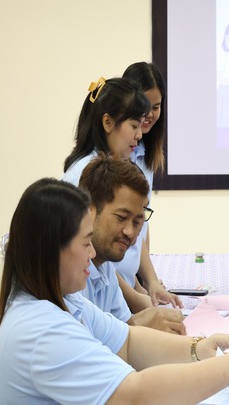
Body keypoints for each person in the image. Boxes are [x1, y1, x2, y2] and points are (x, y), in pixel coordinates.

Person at [0, 177, 229, 404]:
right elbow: (133, 395)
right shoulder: (44, 331)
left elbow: (127, 342)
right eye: (85, 243)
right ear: (53, 250)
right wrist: (227, 370)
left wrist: (199, 348)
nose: (91, 253)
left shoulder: (62, 299)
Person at [63, 76, 183, 313]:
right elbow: (98, 261)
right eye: (134, 126)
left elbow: (129, 251)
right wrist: (139, 300)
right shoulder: (86, 174)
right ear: (108, 123)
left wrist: (147, 286)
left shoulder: (111, 166)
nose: (139, 135)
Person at [78, 152, 186, 335]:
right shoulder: (71, 273)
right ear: (89, 208)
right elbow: (90, 342)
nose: (130, 232)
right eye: (121, 218)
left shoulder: (105, 267)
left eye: (137, 222)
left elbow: (124, 326)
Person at [118, 62, 166, 299]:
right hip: (119, 286)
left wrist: (150, 281)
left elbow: (141, 226)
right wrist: (138, 292)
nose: (149, 115)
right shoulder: (110, 160)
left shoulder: (145, 152)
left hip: (130, 281)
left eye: (156, 107)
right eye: (144, 107)